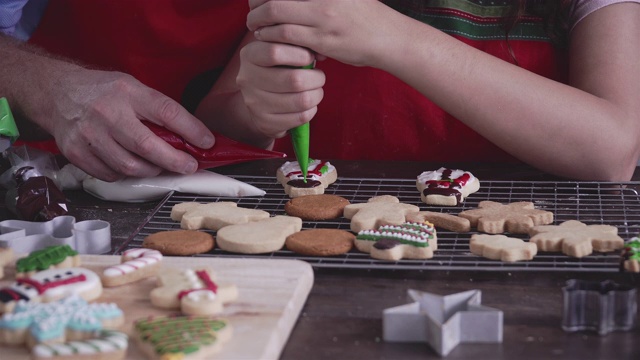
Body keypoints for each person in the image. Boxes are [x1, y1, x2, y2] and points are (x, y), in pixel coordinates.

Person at [195, 0, 640, 182]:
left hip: (529, 259)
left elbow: (612, 150)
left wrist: (394, 38)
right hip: (316, 254)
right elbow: (214, 129)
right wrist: (256, 116)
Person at [0, 0, 249, 181]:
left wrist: (256, 114)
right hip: (50, 175)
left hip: (235, 174)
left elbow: (240, 113)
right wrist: (51, 91)